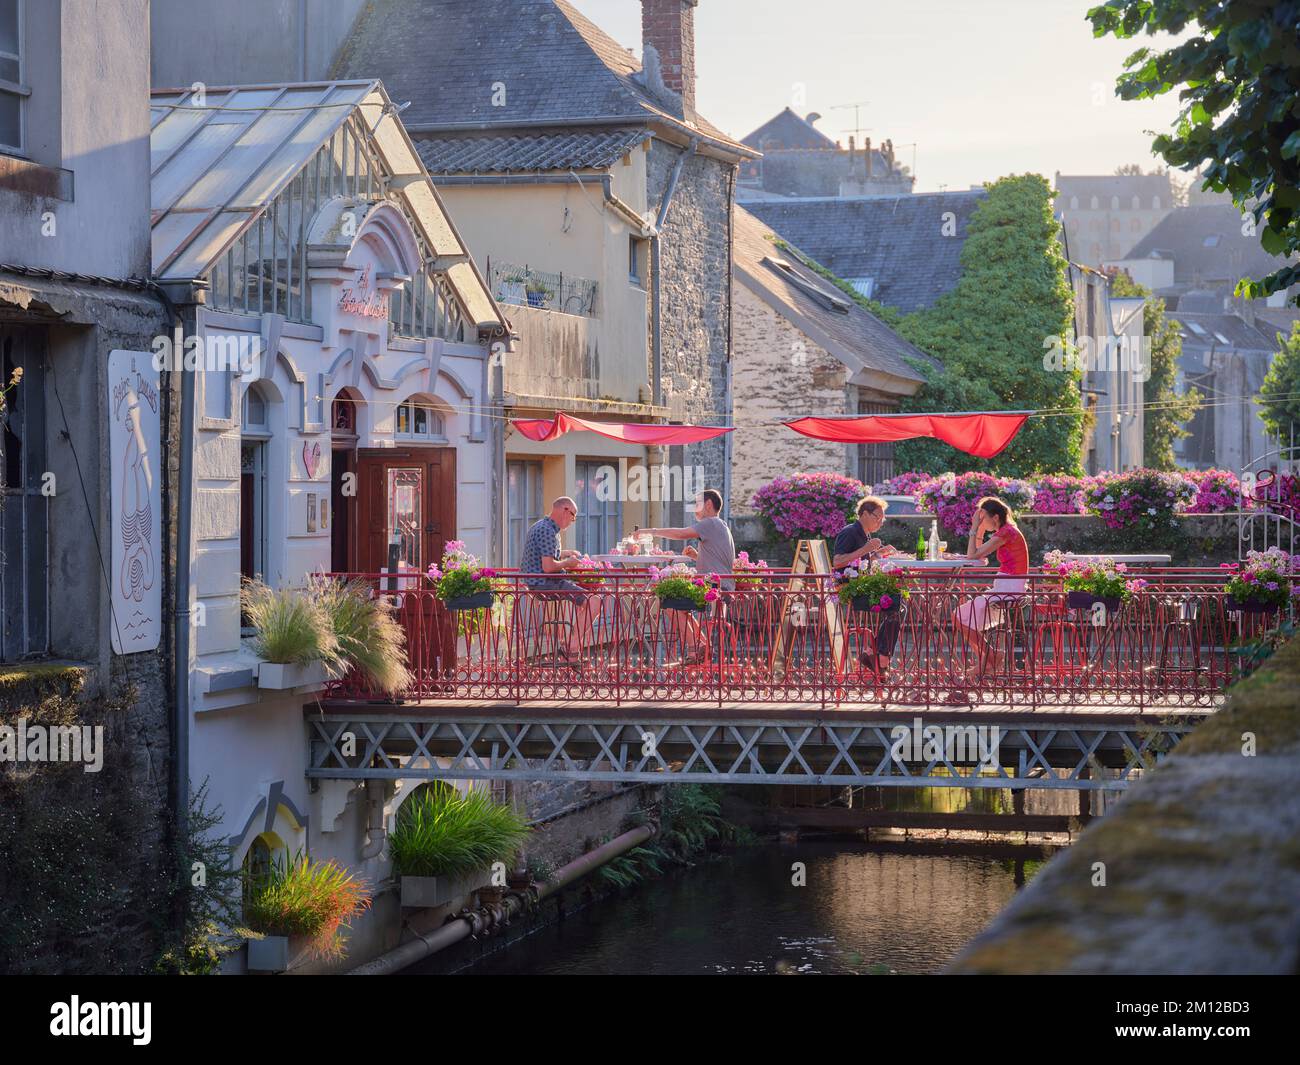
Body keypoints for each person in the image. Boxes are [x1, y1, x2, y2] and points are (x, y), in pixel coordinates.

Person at [638, 488, 736, 664]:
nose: (695, 509)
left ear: (708, 504)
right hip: (721, 586)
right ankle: (700, 645)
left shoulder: (710, 522)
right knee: (678, 605)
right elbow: (720, 561)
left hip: (715, 588)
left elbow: (681, 534)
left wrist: (650, 531)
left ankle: (696, 647)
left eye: (697, 504)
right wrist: (696, 557)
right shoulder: (721, 525)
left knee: (669, 602)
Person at [950, 496, 1030, 691]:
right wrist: (980, 530)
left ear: (994, 517)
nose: (979, 520)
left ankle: (991, 656)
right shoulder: (1005, 531)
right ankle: (991, 656)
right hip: (1005, 587)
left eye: (982, 517)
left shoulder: (1007, 532)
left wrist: (974, 529)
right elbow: (977, 553)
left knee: (958, 617)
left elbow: (972, 555)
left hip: (1008, 590)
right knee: (958, 617)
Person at [518, 496, 603, 662]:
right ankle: (570, 647)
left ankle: (570, 647)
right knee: (595, 602)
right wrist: (568, 563)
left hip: (540, 583)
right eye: (573, 516)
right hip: (546, 584)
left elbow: (545, 555)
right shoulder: (548, 531)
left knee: (586, 604)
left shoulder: (543, 526)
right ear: (565, 510)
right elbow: (548, 567)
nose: (572, 521)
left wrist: (566, 553)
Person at [833, 496, 901, 676]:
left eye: (882, 519)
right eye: (877, 517)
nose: (880, 522)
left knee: (899, 602)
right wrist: (866, 549)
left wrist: (878, 554)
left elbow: (859, 561)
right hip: (851, 590)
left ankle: (875, 654)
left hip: (861, 585)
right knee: (898, 603)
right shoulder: (850, 532)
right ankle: (880, 657)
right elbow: (838, 561)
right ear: (864, 514)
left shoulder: (864, 534)